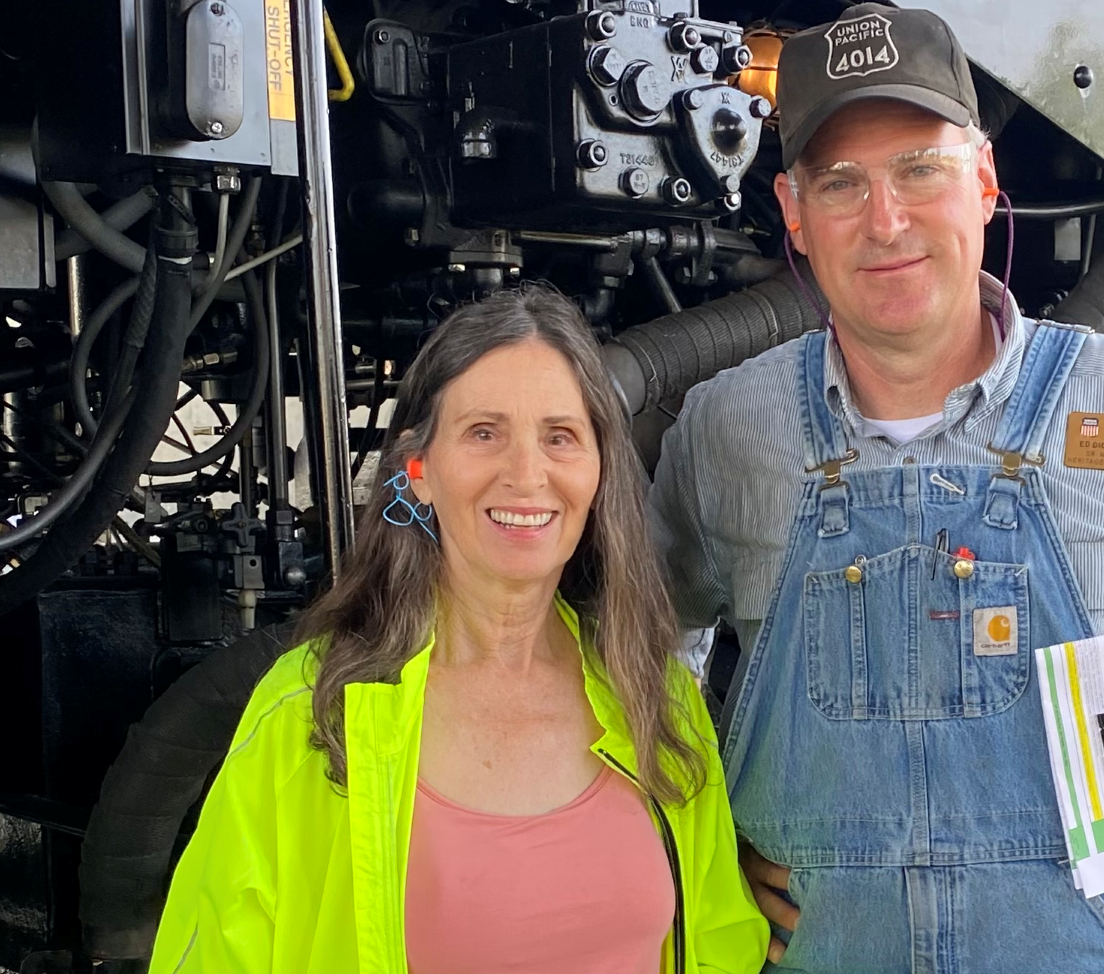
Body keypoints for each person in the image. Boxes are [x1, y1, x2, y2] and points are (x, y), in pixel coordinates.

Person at [652, 3, 1104, 974]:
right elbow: (636, 663)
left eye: (920, 169)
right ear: (793, 213)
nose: (885, 221)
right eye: (841, 182)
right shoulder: (727, 432)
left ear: (985, 181)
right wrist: (698, 851)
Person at [152, 284, 768, 974]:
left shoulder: (657, 699)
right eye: (483, 433)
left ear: (598, 471)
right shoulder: (312, 711)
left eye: (560, 437)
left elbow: (721, 948)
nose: (526, 475)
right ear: (418, 470)